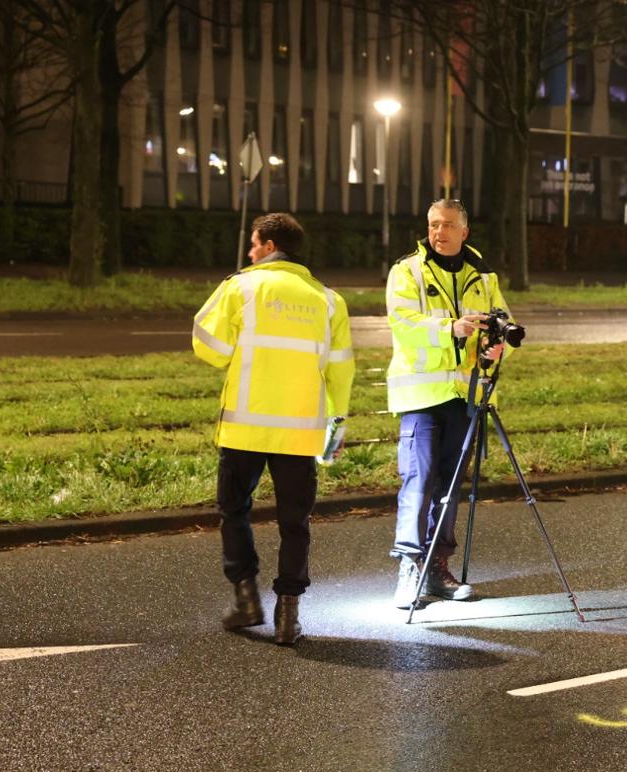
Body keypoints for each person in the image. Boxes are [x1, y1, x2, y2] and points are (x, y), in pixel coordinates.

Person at [191, 212, 354, 645]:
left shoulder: (240, 286)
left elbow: (209, 346)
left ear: (266, 245)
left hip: (245, 429)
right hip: (301, 433)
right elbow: (341, 375)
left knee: (234, 512)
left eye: (252, 243)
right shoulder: (329, 300)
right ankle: (289, 616)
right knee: (295, 523)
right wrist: (333, 439)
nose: (249, 251)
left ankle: (246, 600)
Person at [384, 198, 508, 610]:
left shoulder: (483, 276)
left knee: (449, 489)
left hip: (465, 394)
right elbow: (403, 325)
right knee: (418, 483)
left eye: (448, 225)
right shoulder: (408, 271)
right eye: (434, 224)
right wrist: (448, 328)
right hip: (421, 396)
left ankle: (438, 568)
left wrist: (497, 349)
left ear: (464, 232)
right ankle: (409, 567)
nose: (439, 232)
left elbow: (502, 324)